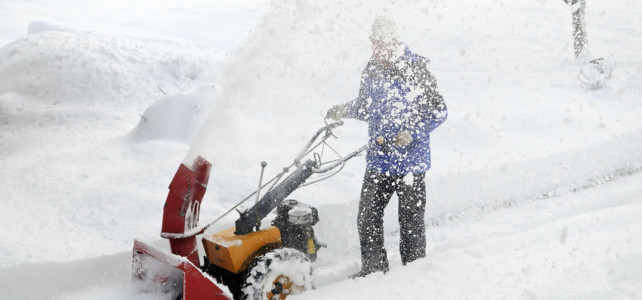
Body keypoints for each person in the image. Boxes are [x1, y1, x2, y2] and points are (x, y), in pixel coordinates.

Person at [326, 17, 448, 277]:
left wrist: (412, 133)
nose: (378, 49)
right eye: (374, 43)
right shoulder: (371, 69)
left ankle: (414, 272)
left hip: (410, 164)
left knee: (411, 222)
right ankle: (373, 270)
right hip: (380, 161)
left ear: (395, 41)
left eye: (383, 43)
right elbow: (365, 106)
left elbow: (439, 111)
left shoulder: (417, 68)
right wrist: (343, 110)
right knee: (367, 217)